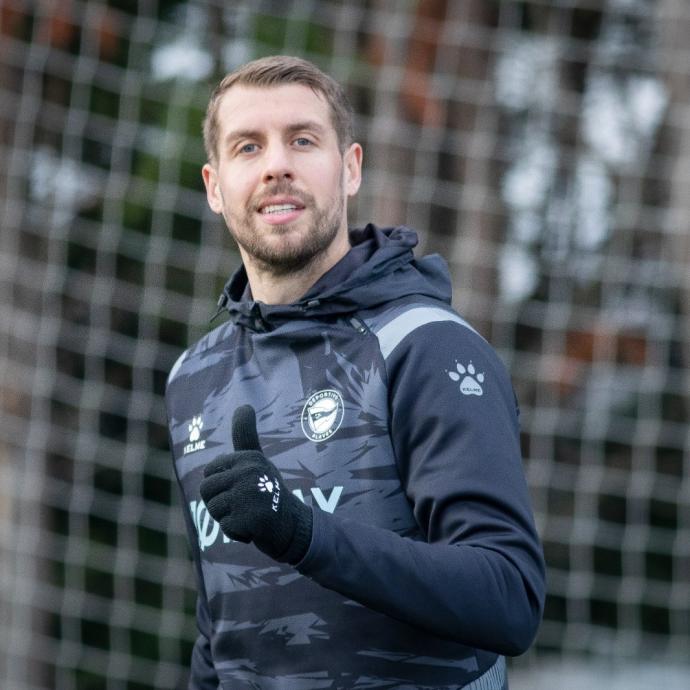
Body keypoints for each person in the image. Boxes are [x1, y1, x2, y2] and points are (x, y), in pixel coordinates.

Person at [165, 54, 545, 690]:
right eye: (248, 146)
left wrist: (302, 531)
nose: (276, 164)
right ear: (213, 185)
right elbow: (221, 626)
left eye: (303, 140)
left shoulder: (424, 347)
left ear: (350, 169)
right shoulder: (192, 377)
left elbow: (509, 599)